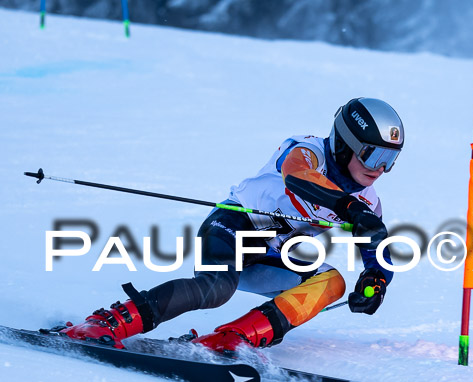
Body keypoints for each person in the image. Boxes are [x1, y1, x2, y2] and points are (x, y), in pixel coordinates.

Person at [58, 97, 404, 353]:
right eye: (373, 156)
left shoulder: (368, 201)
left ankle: (231, 339)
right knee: (216, 287)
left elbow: (376, 243)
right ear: (346, 145)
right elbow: (298, 177)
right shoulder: (309, 151)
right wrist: (348, 207)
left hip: (270, 253)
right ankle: (107, 323)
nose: (380, 169)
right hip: (232, 226)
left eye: (390, 160)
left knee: (331, 282)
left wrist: (376, 278)